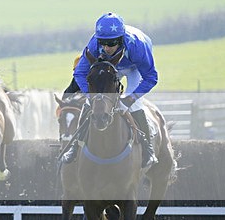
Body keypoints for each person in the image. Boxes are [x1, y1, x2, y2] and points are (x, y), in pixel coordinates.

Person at [62, 12, 158, 169]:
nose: (106, 48)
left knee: (134, 105)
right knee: (89, 103)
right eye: (103, 43)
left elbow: (151, 77)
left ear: (120, 40)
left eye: (111, 43)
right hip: (111, 66)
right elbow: (79, 73)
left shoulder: (137, 47)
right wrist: (90, 96)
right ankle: (75, 147)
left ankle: (148, 150)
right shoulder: (94, 45)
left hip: (134, 67)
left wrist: (130, 98)